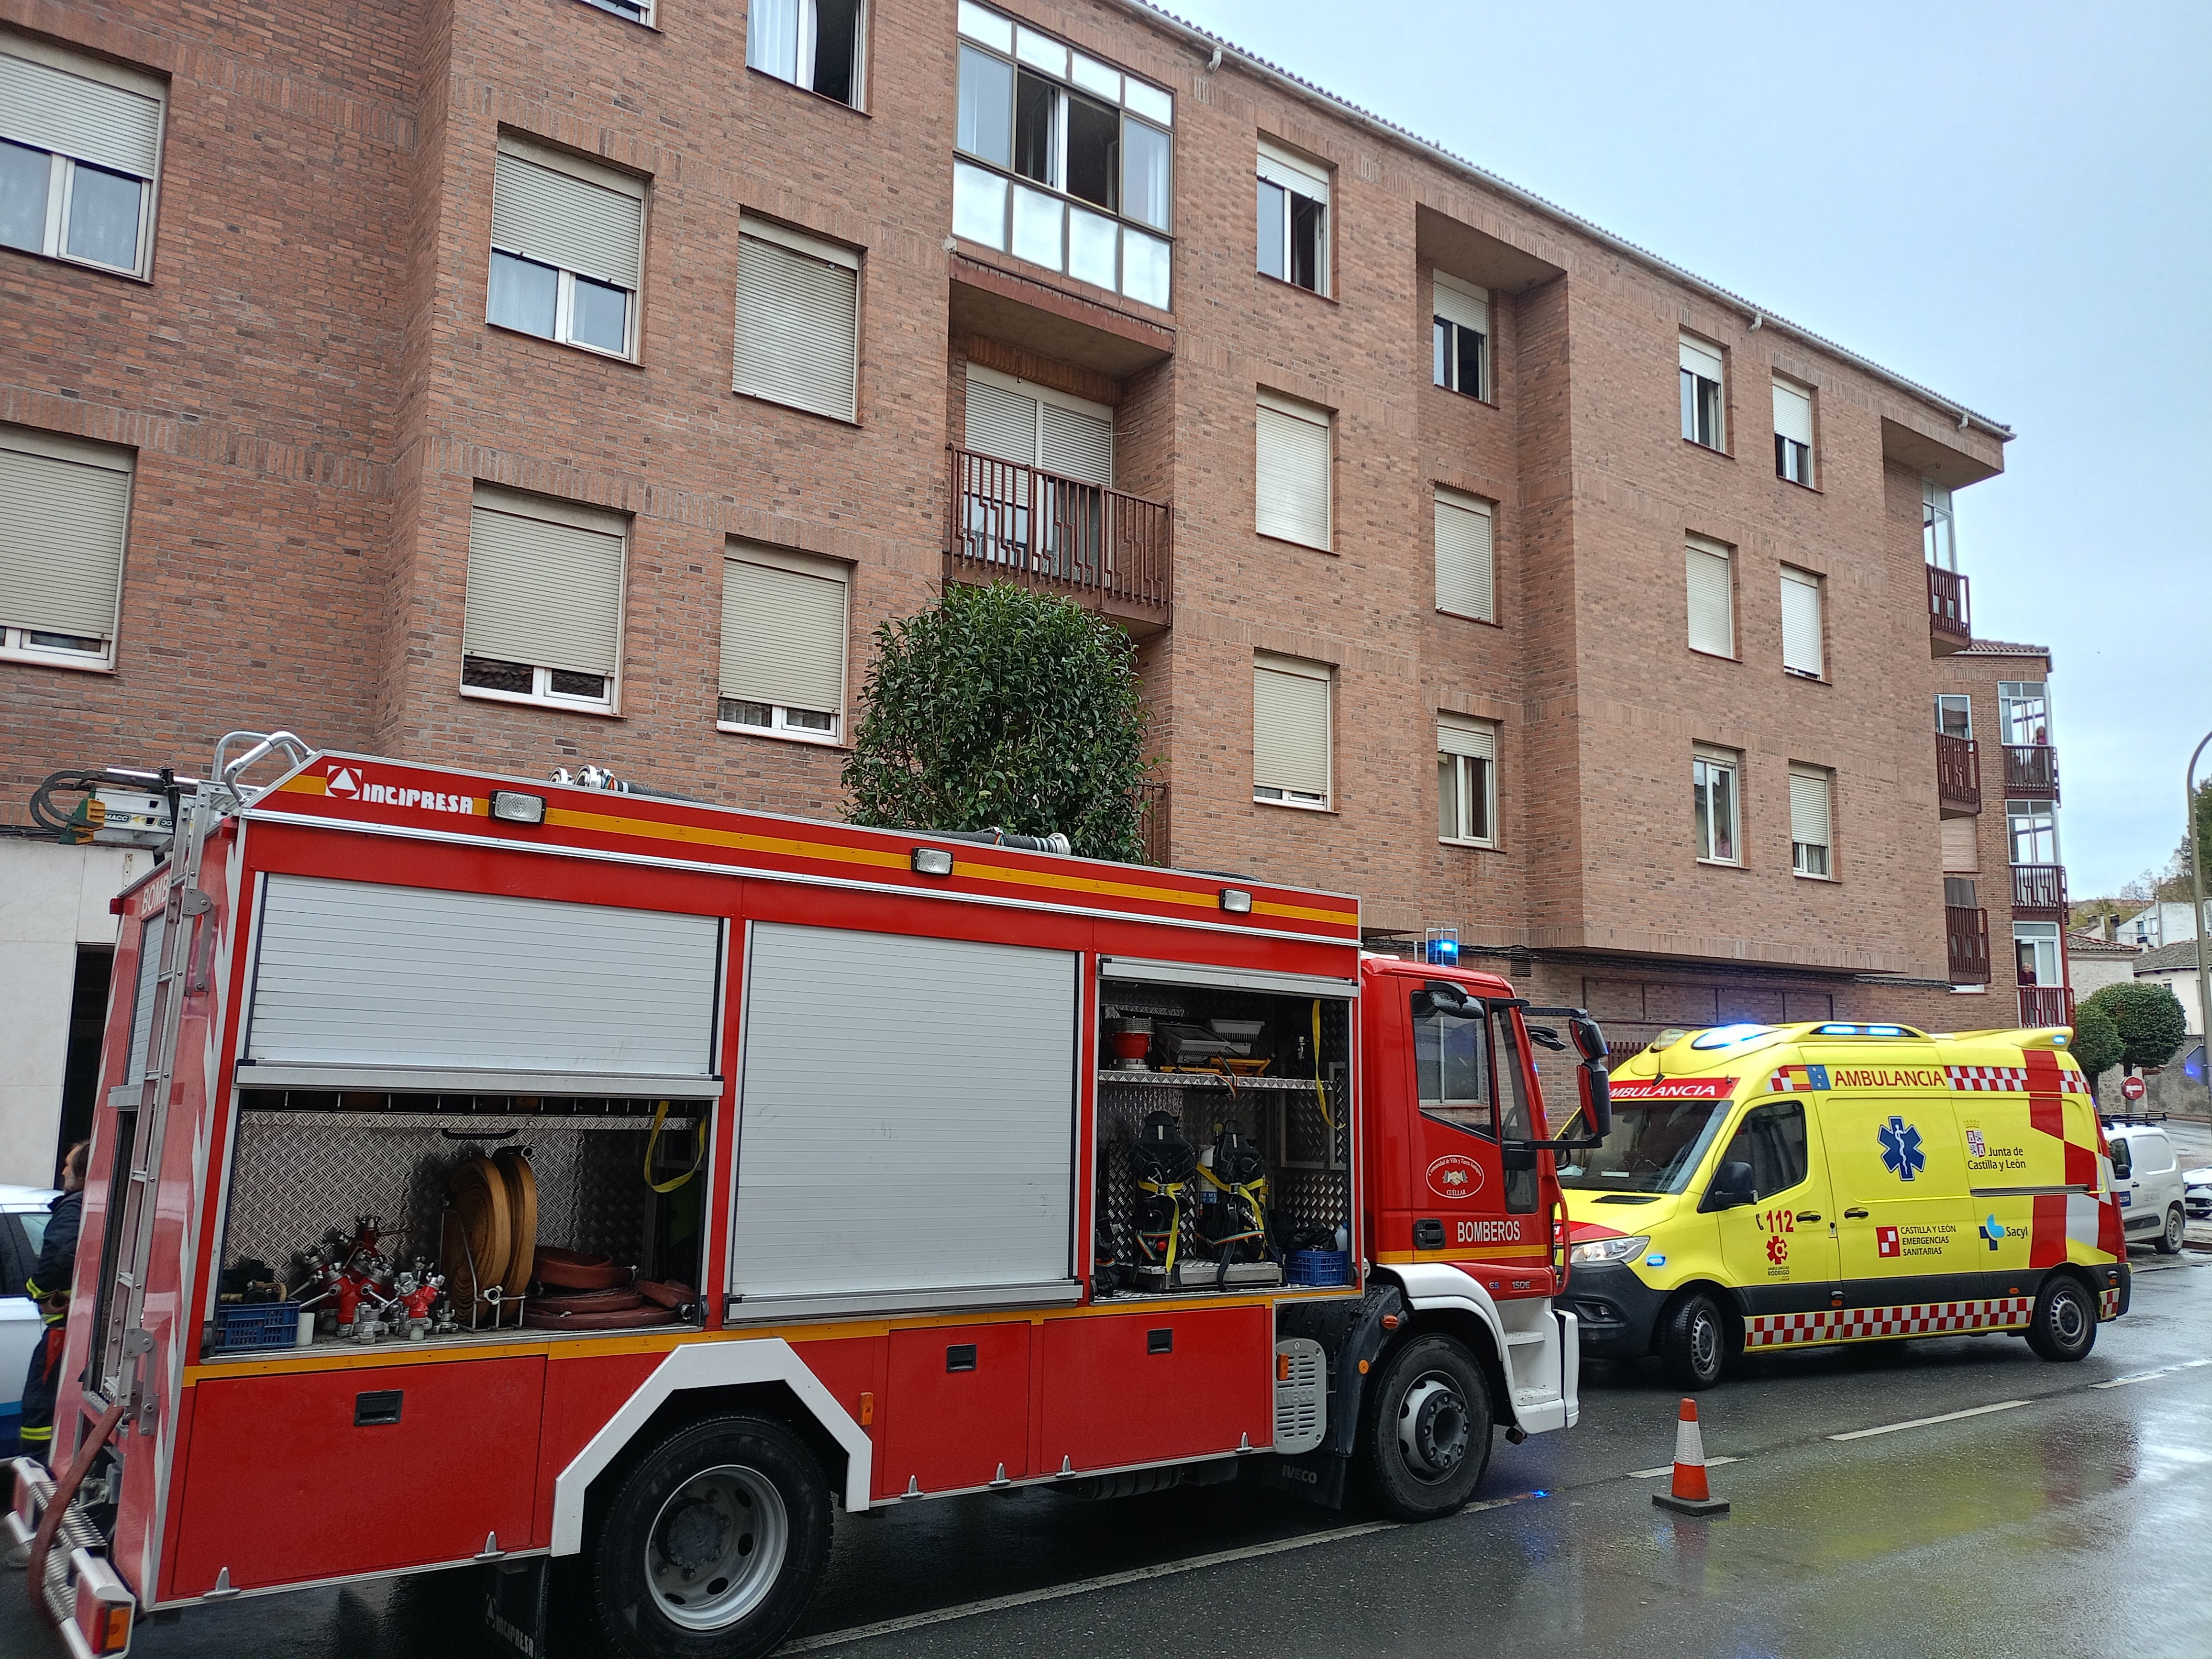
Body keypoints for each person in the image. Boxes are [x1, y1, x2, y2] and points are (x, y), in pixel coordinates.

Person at [5, 1142, 84, 1570]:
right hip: (73, 1334)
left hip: (59, 1337)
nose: (62, 1169)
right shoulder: (93, 1205)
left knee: (38, 1423)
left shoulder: (72, 1209)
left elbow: (63, 1257)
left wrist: (43, 1292)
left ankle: (40, 1530)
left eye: (69, 1164)